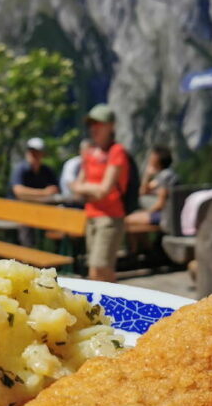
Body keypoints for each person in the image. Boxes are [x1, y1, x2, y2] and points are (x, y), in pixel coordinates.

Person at [71, 103, 128, 282]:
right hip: (91, 216)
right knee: (103, 271)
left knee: (97, 270)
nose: (93, 128)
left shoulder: (116, 151)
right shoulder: (89, 153)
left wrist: (87, 188)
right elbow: (75, 186)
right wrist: (92, 189)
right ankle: (114, 305)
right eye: (91, 124)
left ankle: (98, 309)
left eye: (99, 124)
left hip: (110, 218)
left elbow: (103, 190)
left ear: (111, 126)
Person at [125, 145, 177, 228]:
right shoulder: (165, 174)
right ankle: (143, 241)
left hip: (165, 215)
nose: (149, 158)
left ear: (157, 158)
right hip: (165, 213)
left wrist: (147, 212)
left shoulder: (165, 176)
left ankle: (143, 242)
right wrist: (147, 175)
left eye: (152, 155)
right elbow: (143, 191)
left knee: (126, 220)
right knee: (132, 218)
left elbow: (161, 203)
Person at [59, 139, 90, 205]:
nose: (89, 154)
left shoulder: (95, 166)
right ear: (80, 151)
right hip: (69, 204)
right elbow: (73, 188)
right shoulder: (71, 164)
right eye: (87, 151)